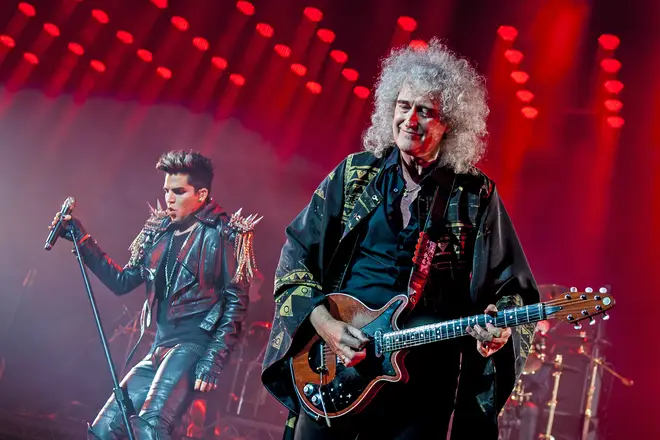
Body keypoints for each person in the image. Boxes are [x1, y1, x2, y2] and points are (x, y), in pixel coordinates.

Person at [260, 38, 540, 440]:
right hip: (336, 364)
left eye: (425, 111)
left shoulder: (475, 195)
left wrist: (498, 333)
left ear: (450, 125)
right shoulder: (355, 174)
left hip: (421, 385)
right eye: (403, 106)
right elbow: (296, 257)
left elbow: (511, 287)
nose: (410, 119)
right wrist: (325, 325)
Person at [49, 150, 260, 440]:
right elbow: (122, 281)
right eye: (166, 191)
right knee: (102, 431)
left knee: (150, 428)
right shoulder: (159, 230)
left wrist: (214, 359)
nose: (169, 199)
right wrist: (82, 240)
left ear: (201, 194)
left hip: (192, 347)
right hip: (157, 350)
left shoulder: (225, 234)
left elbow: (236, 303)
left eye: (178, 191)